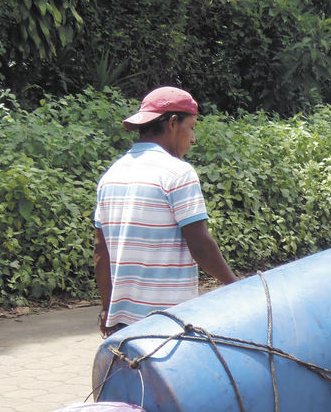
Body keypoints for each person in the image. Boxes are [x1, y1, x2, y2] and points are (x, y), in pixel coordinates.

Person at [94, 86, 237, 338]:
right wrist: (236, 286)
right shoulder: (178, 173)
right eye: (191, 127)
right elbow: (200, 245)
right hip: (169, 324)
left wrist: (108, 311)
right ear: (173, 123)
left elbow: (100, 251)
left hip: (125, 326)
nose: (193, 139)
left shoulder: (111, 176)